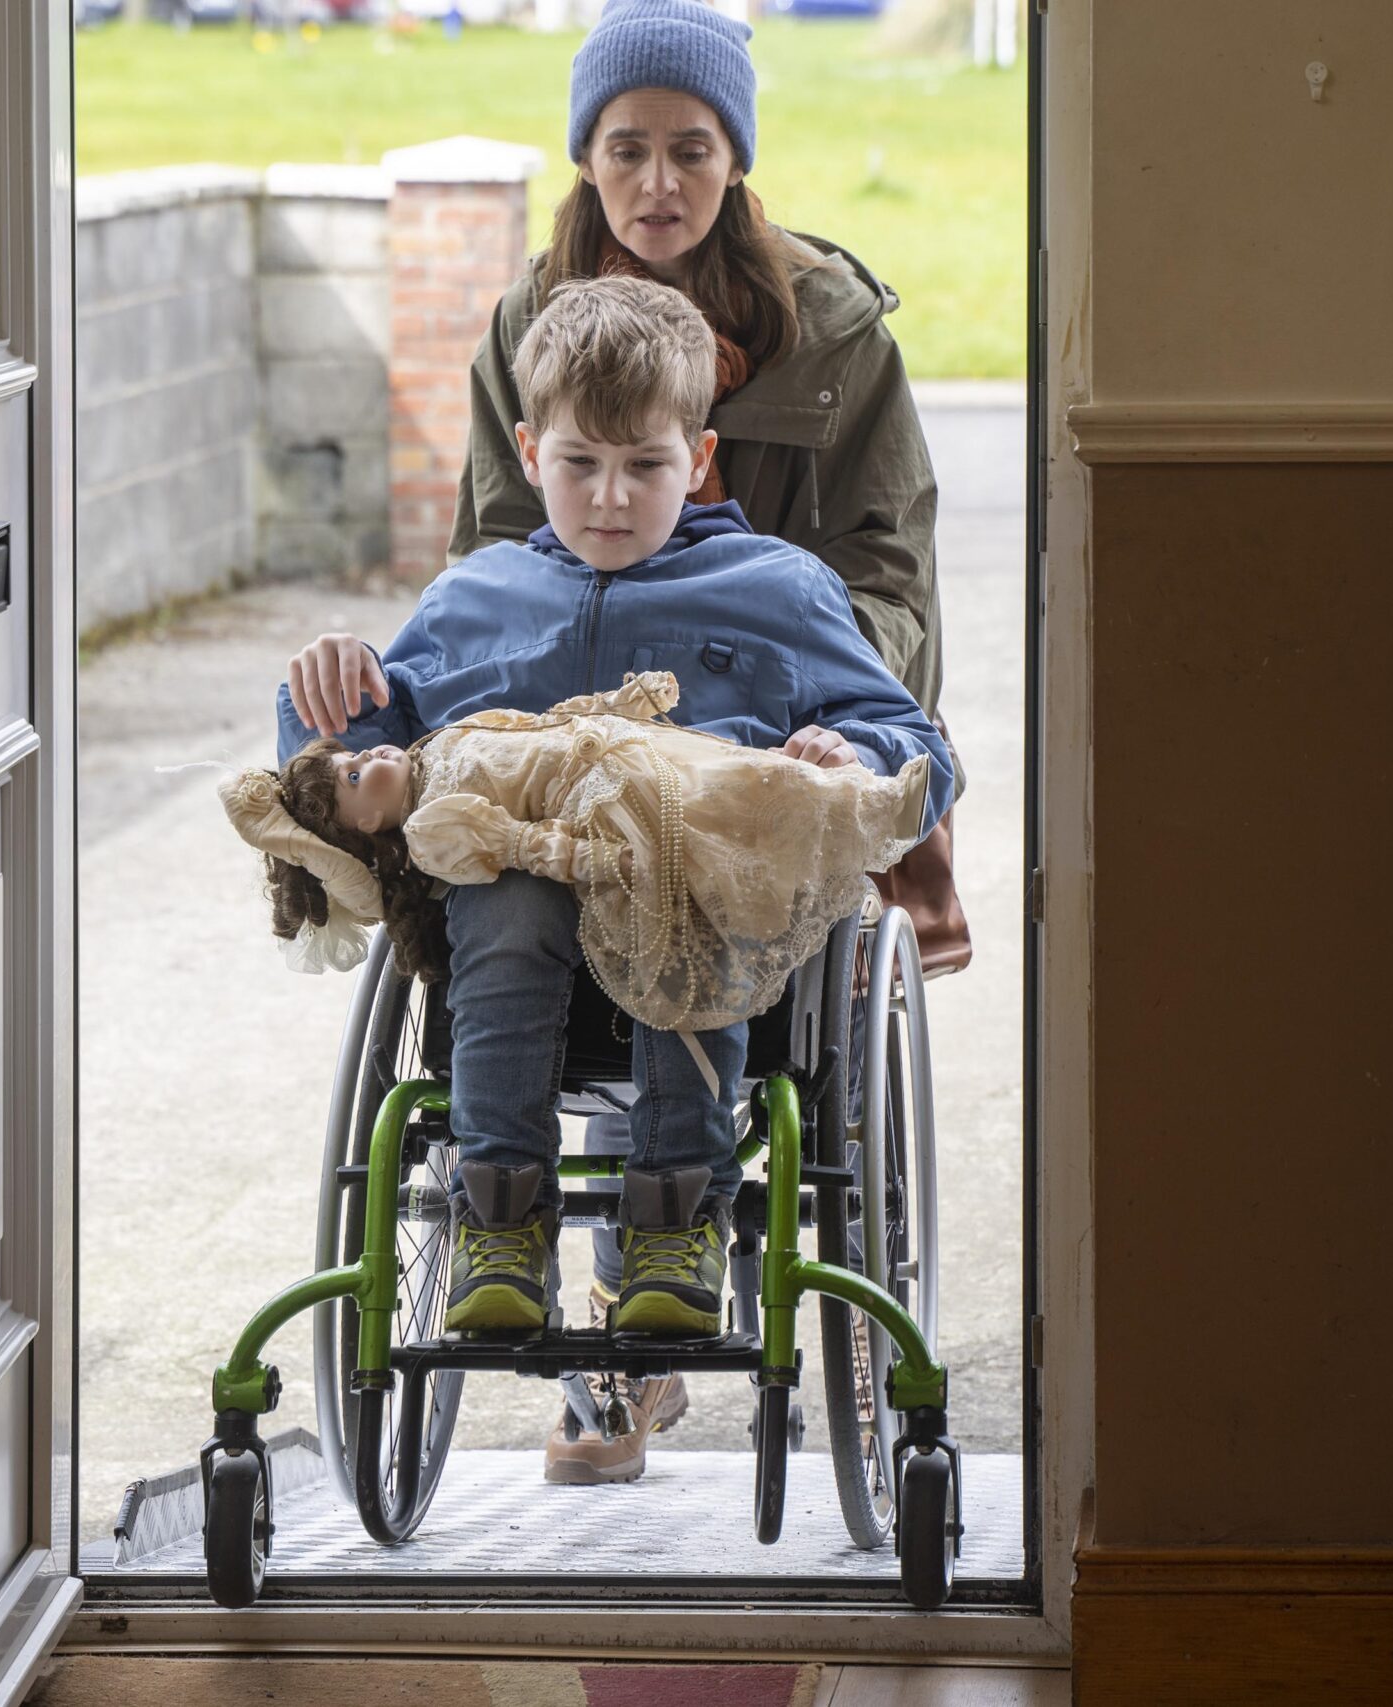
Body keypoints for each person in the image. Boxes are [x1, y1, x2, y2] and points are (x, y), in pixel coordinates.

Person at [446, 0, 968, 1478]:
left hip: (776, 708)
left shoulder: (832, 330)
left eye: (691, 149)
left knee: (714, 904)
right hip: (580, 732)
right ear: (586, 156)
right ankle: (589, 1307)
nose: (657, 182)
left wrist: (813, 721)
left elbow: (889, 567)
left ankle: (678, 1303)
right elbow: (492, 560)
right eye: (626, 149)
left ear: (736, 157)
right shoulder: (527, 325)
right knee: (537, 892)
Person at [259, 277, 952, 1369]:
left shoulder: (779, 589)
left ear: (700, 457)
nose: (610, 497)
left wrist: (851, 753)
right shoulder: (473, 598)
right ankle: (499, 1220)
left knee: (684, 879)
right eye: (579, 463)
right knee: (506, 894)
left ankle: (677, 1224)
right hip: (510, 919)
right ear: (529, 453)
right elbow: (364, 767)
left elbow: (913, 743)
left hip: (704, 908)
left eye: (646, 466)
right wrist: (327, 691)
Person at [227, 664, 935, 1118]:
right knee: (712, 824)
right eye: (354, 778)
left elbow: (539, 726)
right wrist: (589, 857)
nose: (368, 753)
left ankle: (864, 803)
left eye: (352, 757)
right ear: (368, 828)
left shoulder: (434, 751)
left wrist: (617, 704)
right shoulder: (435, 826)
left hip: (620, 758)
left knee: (738, 782)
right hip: (600, 814)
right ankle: (515, 1198)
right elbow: (518, 842)